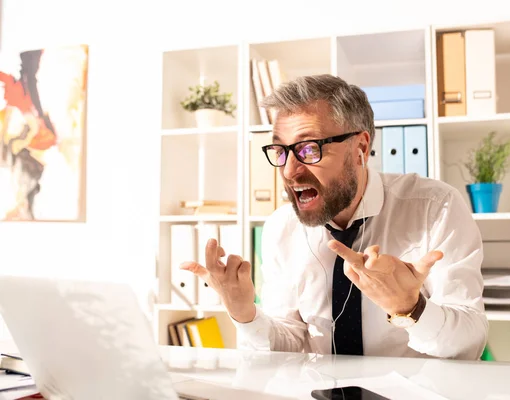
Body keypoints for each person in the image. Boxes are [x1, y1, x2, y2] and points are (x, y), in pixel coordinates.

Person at [181, 74, 488, 360]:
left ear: (361, 148)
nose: (289, 171)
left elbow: (471, 344)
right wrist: (244, 313)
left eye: (309, 149)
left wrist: (411, 308)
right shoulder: (280, 227)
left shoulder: (436, 207)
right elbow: (289, 343)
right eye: (281, 151)